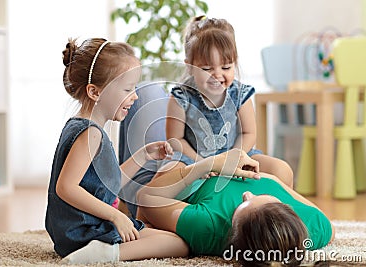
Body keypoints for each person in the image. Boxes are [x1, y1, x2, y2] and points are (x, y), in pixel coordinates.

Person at [44, 37, 190, 264]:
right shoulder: (90, 133)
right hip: (84, 232)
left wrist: (144, 155)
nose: (136, 96)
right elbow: (65, 188)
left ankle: (101, 250)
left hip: (76, 231)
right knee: (177, 244)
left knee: (166, 237)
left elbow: (108, 183)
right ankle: (104, 255)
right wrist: (116, 216)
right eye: (128, 89)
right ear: (95, 92)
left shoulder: (84, 127)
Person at [136, 148, 335, 266]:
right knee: (282, 169)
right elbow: (330, 229)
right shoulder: (313, 228)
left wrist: (209, 165)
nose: (247, 193)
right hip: (242, 163)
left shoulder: (209, 226)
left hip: (201, 178)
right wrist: (270, 179)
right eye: (266, 198)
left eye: (243, 204)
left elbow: (145, 198)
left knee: (171, 167)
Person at [164, 16, 294, 187]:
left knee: (282, 170)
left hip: (236, 156)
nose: (217, 75)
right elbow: (175, 139)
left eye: (226, 67)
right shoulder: (181, 97)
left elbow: (248, 133)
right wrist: (203, 164)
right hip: (194, 161)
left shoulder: (240, 94)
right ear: (189, 66)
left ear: (235, 62)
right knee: (165, 176)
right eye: (207, 68)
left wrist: (233, 159)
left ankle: (279, 212)